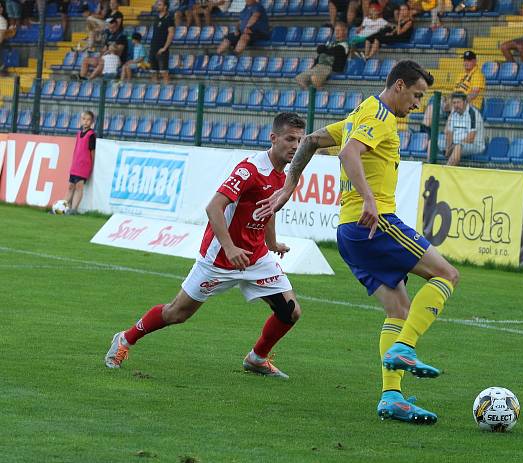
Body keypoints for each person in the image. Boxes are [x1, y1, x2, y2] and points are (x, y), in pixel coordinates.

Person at [260, 60, 459, 425]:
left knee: (399, 310)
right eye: (416, 95)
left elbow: (311, 141)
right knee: (447, 275)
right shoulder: (378, 116)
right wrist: (369, 198)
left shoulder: (359, 114)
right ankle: (405, 347)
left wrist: (289, 184)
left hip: (349, 234)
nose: (417, 105)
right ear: (398, 85)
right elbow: (350, 153)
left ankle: (392, 397)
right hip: (376, 223)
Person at [104, 113, 307, 378]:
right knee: (177, 313)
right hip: (220, 258)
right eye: (290, 139)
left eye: (301, 141)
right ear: (273, 138)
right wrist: (230, 248)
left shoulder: (288, 174)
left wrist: (271, 242)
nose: (295, 145)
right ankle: (125, 339)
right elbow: (214, 207)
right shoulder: (250, 170)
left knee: (290, 312)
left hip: (256, 257)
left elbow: (268, 208)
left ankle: (257, 358)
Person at [422, 50, 485, 134]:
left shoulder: (478, 75)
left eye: (469, 60)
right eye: (465, 60)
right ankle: (424, 133)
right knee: (434, 104)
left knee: (455, 106)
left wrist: (458, 102)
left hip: (471, 106)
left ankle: (446, 135)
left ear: (474, 61)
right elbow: (454, 93)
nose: (466, 62)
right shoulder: (461, 75)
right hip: (455, 103)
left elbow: (474, 93)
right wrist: (448, 101)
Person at [296, 22, 349, 90]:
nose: (337, 32)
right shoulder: (330, 43)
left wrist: (325, 49)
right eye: (336, 30)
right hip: (318, 66)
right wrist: (326, 49)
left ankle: (320, 93)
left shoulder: (345, 45)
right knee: (300, 79)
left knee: (314, 78)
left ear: (345, 31)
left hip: (328, 67)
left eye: (339, 30)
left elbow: (335, 51)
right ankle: (310, 94)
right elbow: (319, 49)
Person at [61, 111, 96, 214]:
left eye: (88, 120)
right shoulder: (78, 133)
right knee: (70, 186)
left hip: (84, 166)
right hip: (75, 165)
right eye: (84, 119)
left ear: (92, 122)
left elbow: (92, 152)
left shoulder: (91, 135)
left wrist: (91, 166)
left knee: (79, 186)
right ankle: (61, 208)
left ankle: (74, 209)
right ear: (81, 120)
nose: (86, 122)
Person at [75, 16, 127, 80]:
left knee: (101, 63)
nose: (111, 30)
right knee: (86, 60)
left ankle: (89, 79)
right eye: (110, 28)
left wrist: (109, 51)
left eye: (113, 28)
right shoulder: (109, 35)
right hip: (104, 57)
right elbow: (104, 48)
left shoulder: (121, 36)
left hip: (114, 60)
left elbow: (119, 52)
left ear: (117, 26)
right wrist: (102, 52)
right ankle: (82, 78)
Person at [442, 92, 485, 166]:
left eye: (458, 102)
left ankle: (446, 171)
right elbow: (450, 133)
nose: (456, 105)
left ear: (465, 102)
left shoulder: (473, 114)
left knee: (458, 147)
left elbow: (470, 138)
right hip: (455, 144)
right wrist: (448, 147)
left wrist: (453, 146)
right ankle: (430, 170)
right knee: (432, 143)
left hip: (474, 145)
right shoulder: (454, 113)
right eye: (454, 103)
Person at [151, 0, 175, 83]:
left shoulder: (169, 18)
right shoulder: (157, 17)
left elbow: (171, 34)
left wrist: (165, 48)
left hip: (162, 48)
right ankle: (155, 94)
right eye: (157, 5)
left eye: (160, 5)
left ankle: (168, 93)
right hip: (153, 47)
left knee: (164, 73)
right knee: (153, 73)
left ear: (165, 7)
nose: (158, 6)